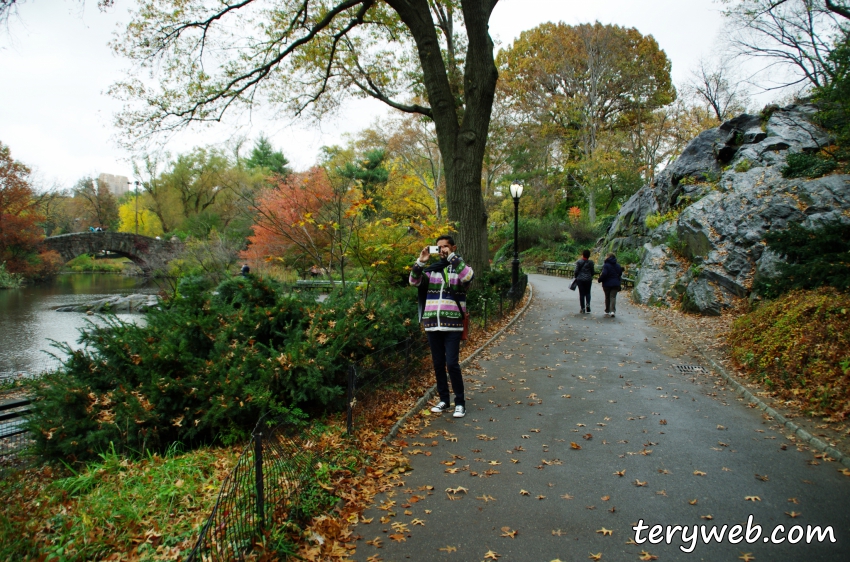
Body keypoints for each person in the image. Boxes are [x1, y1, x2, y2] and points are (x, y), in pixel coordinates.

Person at [410, 235, 474, 418]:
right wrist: (420, 263)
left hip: (452, 324)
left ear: (453, 247)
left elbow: (469, 277)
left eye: (446, 247)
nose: (442, 250)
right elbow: (413, 281)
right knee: (438, 364)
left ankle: (460, 402)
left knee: (452, 363)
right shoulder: (431, 271)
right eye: (439, 248)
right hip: (432, 324)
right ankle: (444, 400)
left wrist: (452, 258)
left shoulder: (459, 269)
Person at [598, 253, 624, 318]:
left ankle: (607, 310)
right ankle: (612, 311)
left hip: (607, 284)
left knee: (607, 297)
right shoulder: (618, 265)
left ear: (608, 257)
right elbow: (620, 273)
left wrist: (600, 279)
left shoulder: (606, 265)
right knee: (613, 297)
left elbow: (604, 274)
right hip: (615, 283)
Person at [573, 249, 595, 313]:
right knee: (588, 292)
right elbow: (593, 272)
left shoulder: (579, 262)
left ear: (583, 255)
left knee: (582, 294)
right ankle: (588, 304)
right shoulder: (591, 262)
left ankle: (582, 308)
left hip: (580, 279)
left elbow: (576, 271)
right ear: (589, 255)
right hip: (588, 279)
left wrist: (576, 276)